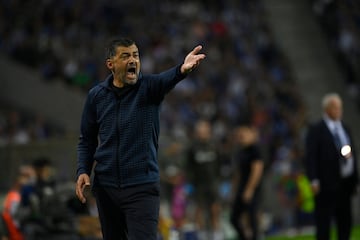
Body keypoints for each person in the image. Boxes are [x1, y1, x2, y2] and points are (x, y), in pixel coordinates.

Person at [75, 37, 206, 240]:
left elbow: (166, 78)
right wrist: (83, 169)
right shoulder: (96, 96)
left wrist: (182, 69)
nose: (133, 60)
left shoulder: (149, 88)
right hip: (106, 188)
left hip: (141, 187)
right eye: (125, 56)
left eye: (136, 55)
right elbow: (87, 139)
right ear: (111, 64)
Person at [304, 93, 358, 240]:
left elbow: (352, 153)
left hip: (345, 182)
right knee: (324, 222)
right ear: (326, 109)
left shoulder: (345, 128)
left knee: (345, 220)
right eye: (335, 107)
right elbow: (311, 156)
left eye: (340, 107)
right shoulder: (316, 130)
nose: (339, 110)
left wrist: (355, 179)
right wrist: (313, 179)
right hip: (326, 183)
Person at [185, 119, 222, 239]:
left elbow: (221, 164)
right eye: (199, 130)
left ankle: (216, 234)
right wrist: (189, 183)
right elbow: (188, 167)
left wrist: (223, 180)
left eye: (203, 130)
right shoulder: (192, 148)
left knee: (215, 208)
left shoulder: (214, 146)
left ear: (208, 131)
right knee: (199, 209)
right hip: (199, 184)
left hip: (213, 182)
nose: (201, 132)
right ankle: (201, 235)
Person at [230, 125, 264, 240]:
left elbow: (257, 170)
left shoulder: (254, 150)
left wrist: (250, 189)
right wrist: (234, 189)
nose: (241, 136)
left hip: (251, 189)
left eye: (244, 133)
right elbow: (238, 173)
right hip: (241, 188)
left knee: (252, 217)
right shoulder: (240, 151)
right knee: (234, 218)